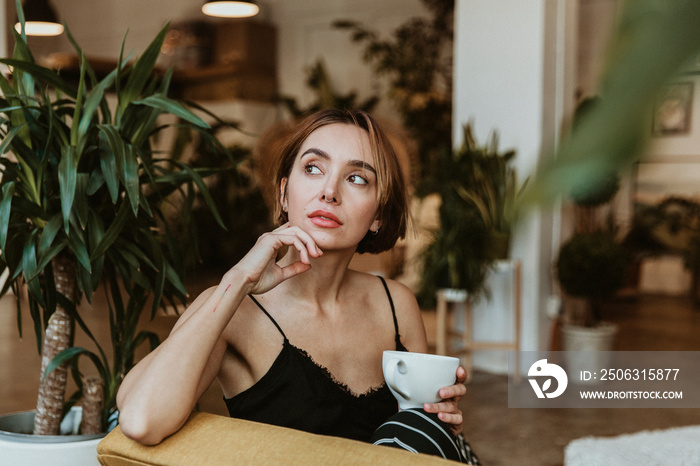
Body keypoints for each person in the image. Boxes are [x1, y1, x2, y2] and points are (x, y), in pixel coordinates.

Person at [117, 109, 479, 464]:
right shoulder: (235, 310)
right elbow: (140, 421)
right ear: (284, 194)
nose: (329, 191)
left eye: (357, 178)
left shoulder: (396, 304)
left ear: (378, 215)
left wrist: (439, 420)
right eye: (313, 168)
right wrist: (239, 279)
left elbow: (412, 440)